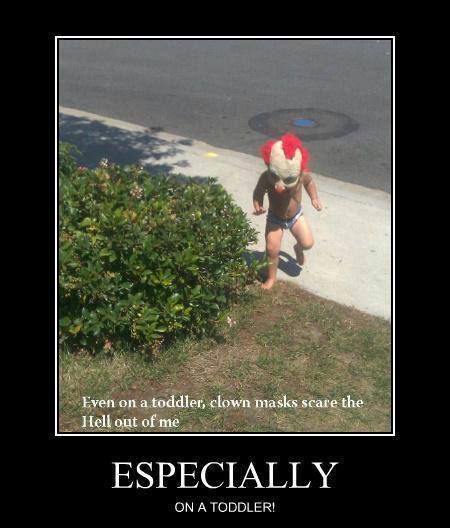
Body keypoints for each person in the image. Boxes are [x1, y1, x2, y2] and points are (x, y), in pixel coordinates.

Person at [252, 133, 322, 289]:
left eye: (288, 180)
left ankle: (298, 248)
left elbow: (309, 183)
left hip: (295, 216)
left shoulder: (302, 175)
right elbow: (258, 191)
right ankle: (271, 277)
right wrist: (258, 204)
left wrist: (314, 198)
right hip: (275, 218)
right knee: (272, 249)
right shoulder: (266, 177)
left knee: (308, 243)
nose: (279, 186)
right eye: (275, 176)